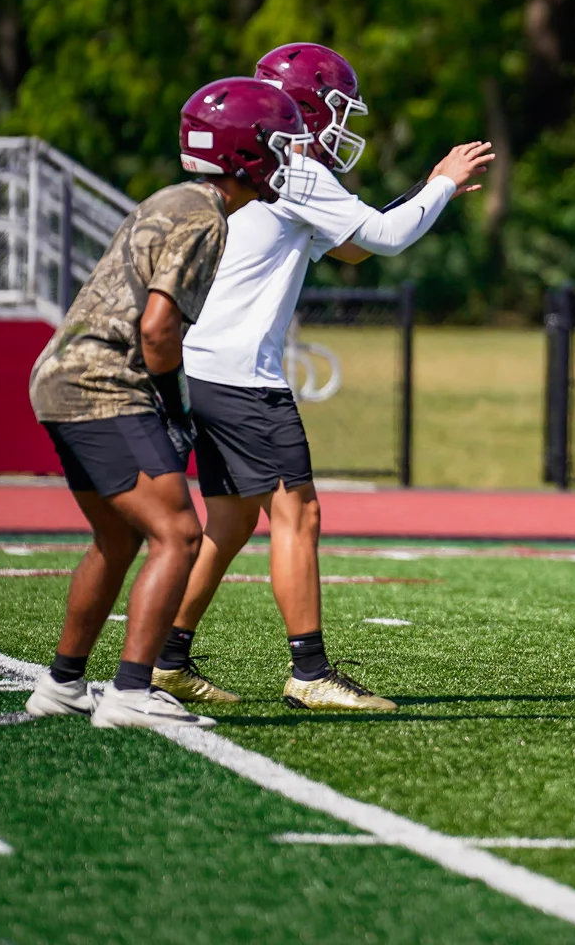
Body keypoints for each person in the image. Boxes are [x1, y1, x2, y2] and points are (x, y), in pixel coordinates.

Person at [152, 43, 493, 711]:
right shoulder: (296, 170)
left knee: (229, 521)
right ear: (306, 107)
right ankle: (309, 670)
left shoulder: (273, 171)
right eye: (337, 108)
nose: (344, 125)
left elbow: (354, 246)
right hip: (243, 373)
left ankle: (168, 658)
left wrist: (426, 191)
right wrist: (446, 183)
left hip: (209, 366)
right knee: (297, 510)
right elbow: (386, 241)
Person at [22, 77, 296, 729]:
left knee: (116, 539)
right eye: (278, 142)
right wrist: (175, 406)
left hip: (60, 374)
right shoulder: (205, 216)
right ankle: (131, 691)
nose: (287, 155)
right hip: (104, 382)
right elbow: (157, 327)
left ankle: (63, 683)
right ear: (246, 150)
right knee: (178, 533)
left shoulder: (176, 197)